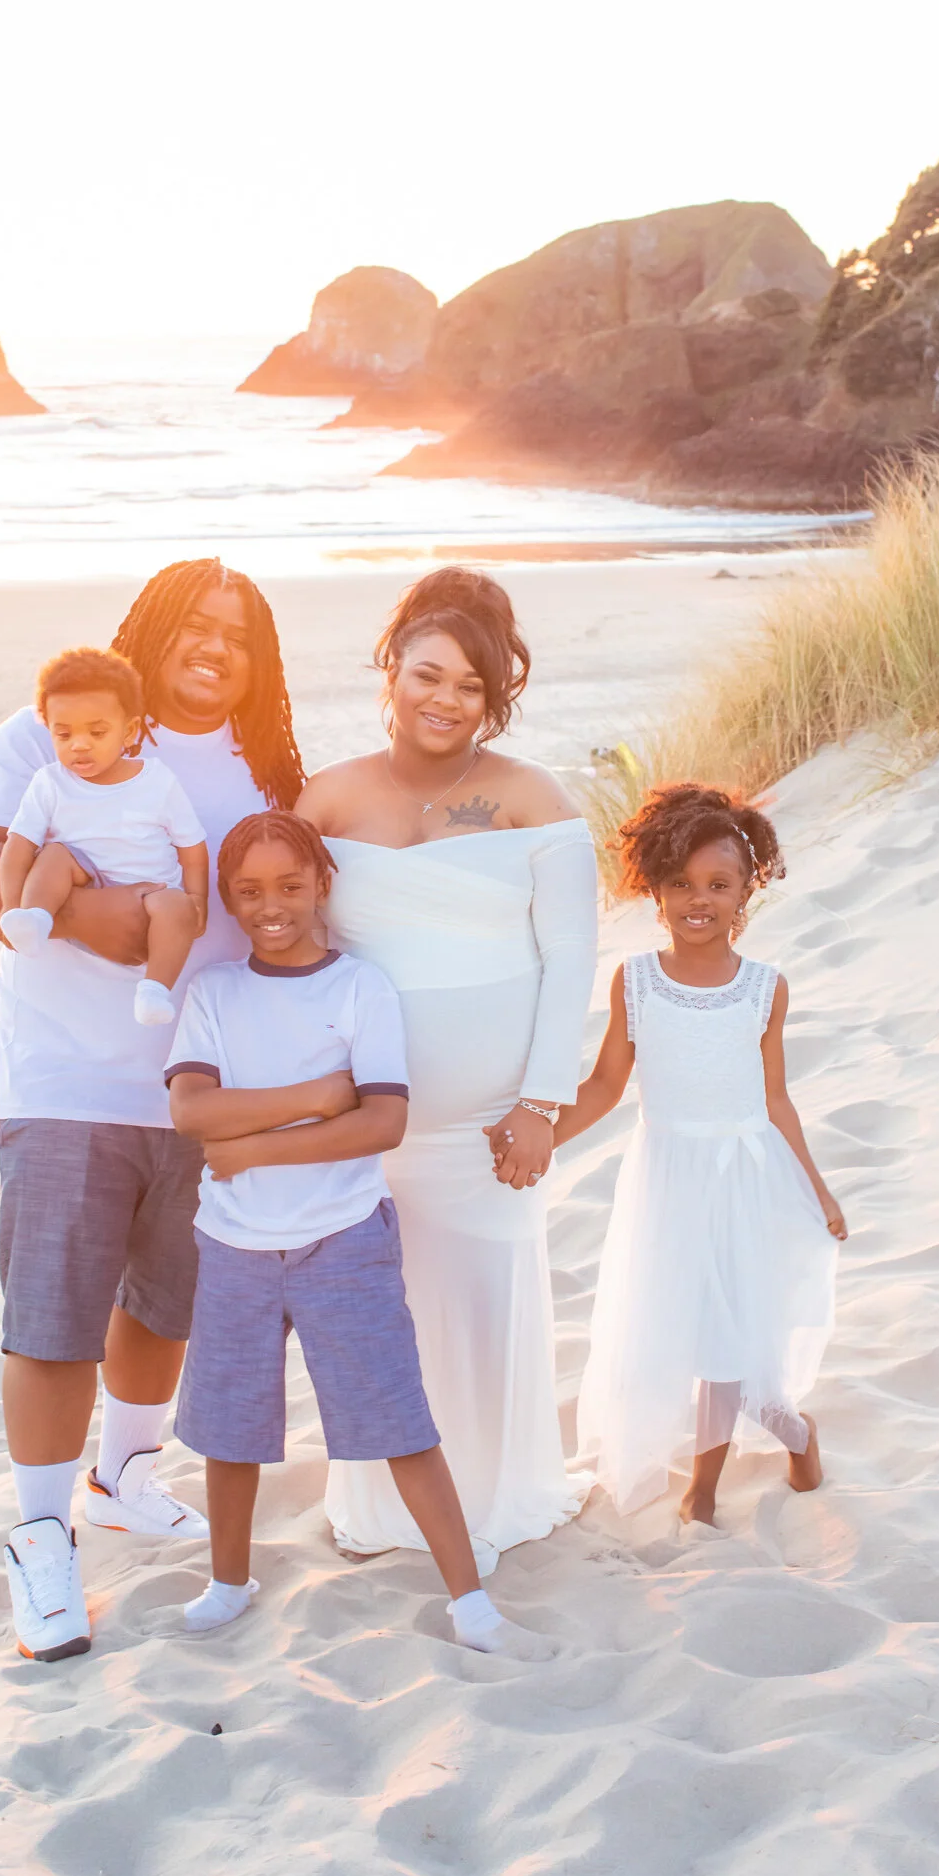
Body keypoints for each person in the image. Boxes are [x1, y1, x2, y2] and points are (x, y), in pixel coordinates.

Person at [0, 558, 303, 1662]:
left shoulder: (264, 766)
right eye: (195, 623)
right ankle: (41, 1538)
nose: (214, 647)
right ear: (150, 627)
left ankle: (125, 1477)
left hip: (203, 1088)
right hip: (67, 1080)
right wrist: (94, 917)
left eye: (238, 634)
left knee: (167, 1303)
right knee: (55, 1318)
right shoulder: (54, 732)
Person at [165, 811, 551, 1656]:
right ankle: (228, 1582)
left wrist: (251, 1147)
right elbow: (191, 1110)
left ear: (322, 887)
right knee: (229, 1427)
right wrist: (314, 1097)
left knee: (396, 1419)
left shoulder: (358, 988)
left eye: (290, 886)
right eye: (249, 891)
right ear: (228, 899)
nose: (271, 905)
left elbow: (381, 1123)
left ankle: (471, 1605)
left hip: (343, 1240)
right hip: (233, 1245)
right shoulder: (214, 994)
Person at [295, 567, 598, 1574]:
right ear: (391, 670)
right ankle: (382, 1502)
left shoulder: (531, 796)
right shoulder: (328, 797)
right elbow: (295, 950)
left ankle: (496, 1493)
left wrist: (541, 1104)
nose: (445, 699)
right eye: (427, 674)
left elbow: (570, 957)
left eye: (471, 686)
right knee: (384, 1314)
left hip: (489, 1128)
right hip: (370, 1121)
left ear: (494, 698)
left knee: (482, 1305)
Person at [555, 782, 846, 1526]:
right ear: (655, 889)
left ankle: (704, 1490)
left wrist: (817, 1188)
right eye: (681, 884)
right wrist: (542, 1136)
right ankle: (793, 1431)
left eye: (719, 885)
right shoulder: (636, 981)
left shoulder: (764, 988)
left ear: (746, 890)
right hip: (667, 1181)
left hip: (747, 1181)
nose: (699, 900)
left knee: (724, 1338)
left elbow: (776, 1099)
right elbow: (604, 1085)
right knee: (682, 1333)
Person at [0, 646, 209, 1028]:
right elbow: (17, 848)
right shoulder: (50, 783)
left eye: (97, 732)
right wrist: (10, 907)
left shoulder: (157, 781)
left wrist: (198, 899)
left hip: (151, 897)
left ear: (128, 730)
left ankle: (154, 990)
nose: (79, 744)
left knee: (176, 906)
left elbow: (192, 848)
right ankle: (34, 919)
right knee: (54, 854)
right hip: (83, 884)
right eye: (64, 734)